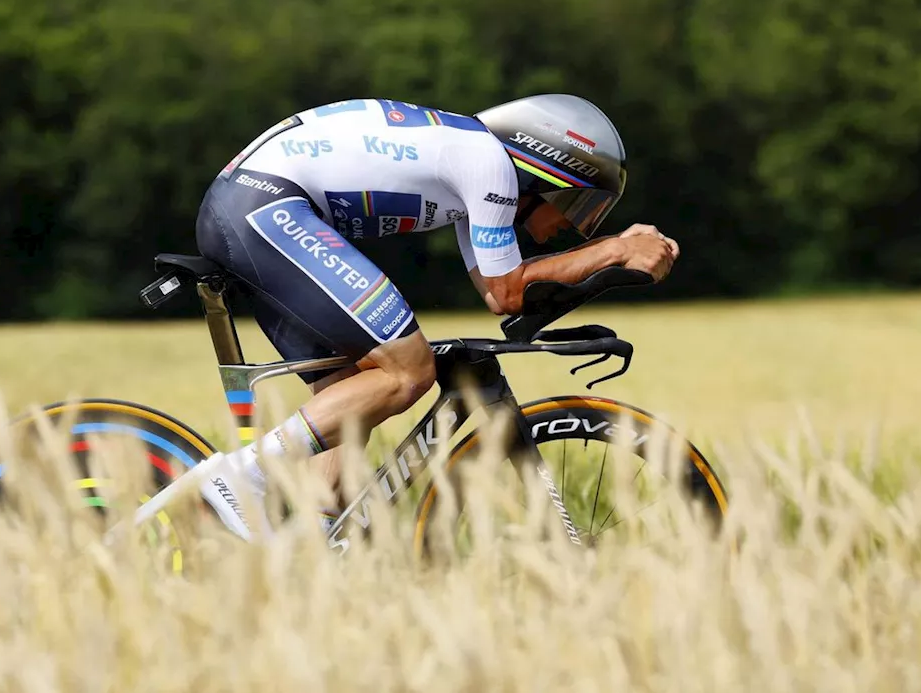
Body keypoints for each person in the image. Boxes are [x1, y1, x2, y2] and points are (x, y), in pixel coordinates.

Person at [189, 95, 678, 538]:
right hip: (265, 205)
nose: (570, 225)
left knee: (351, 392)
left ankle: (314, 543)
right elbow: (510, 292)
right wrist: (614, 249)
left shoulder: (473, 164)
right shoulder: (489, 164)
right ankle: (245, 474)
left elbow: (496, 293)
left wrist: (609, 260)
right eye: (577, 203)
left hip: (250, 204)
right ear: (544, 170)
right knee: (409, 370)